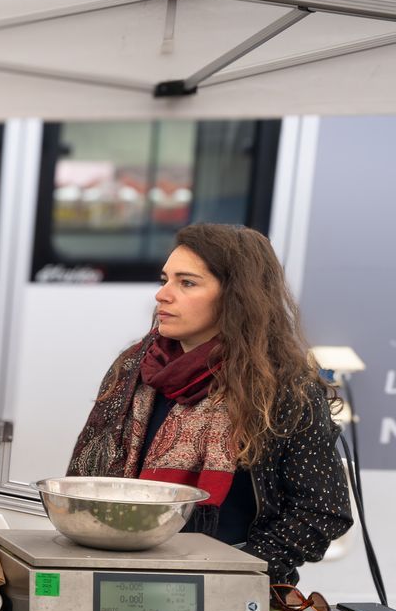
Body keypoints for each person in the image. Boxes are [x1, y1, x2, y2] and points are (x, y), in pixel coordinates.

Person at [67, 222, 351, 588]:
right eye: (164, 279)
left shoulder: (284, 388)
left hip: (227, 585)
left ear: (237, 296)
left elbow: (321, 510)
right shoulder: (133, 366)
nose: (162, 295)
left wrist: (237, 573)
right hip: (116, 574)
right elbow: (90, 477)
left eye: (187, 283)